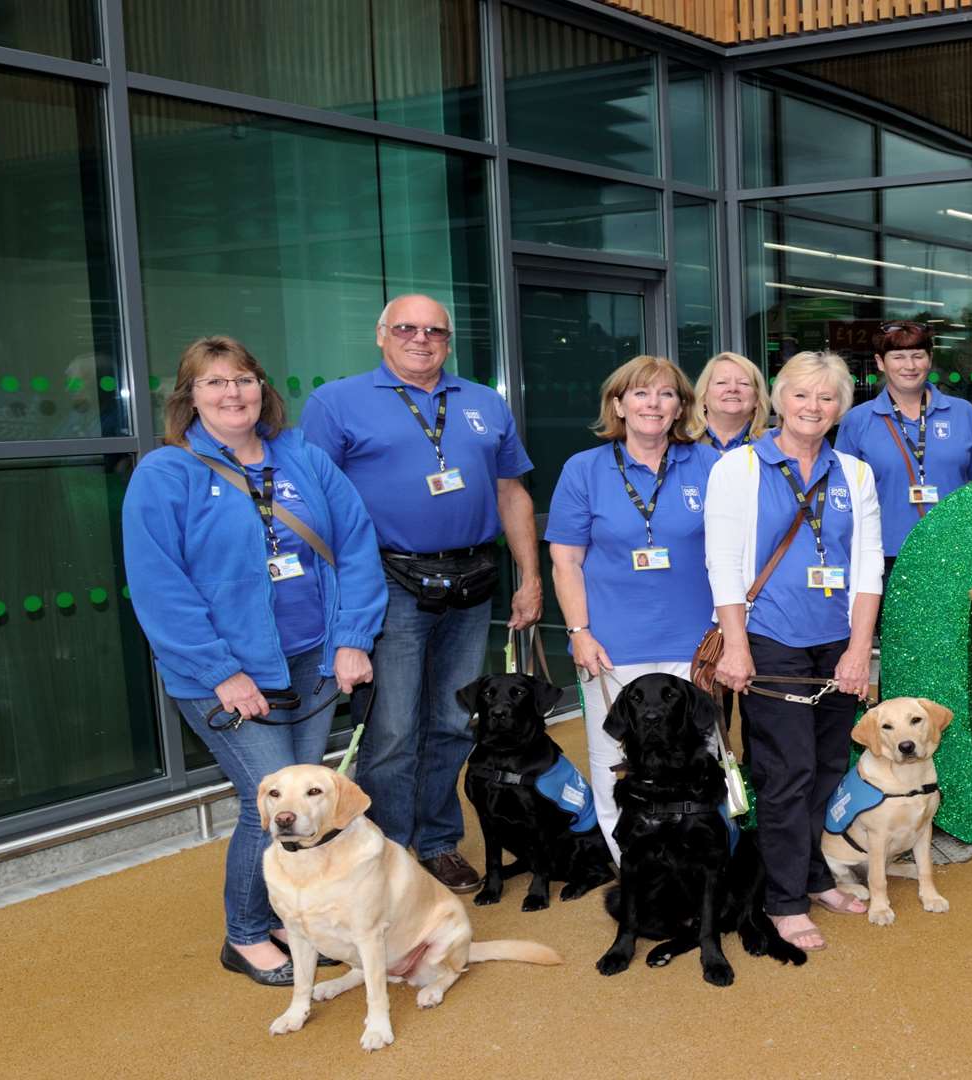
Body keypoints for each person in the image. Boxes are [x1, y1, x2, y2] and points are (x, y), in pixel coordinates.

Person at [122, 336, 384, 985]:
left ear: (262, 389)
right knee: (267, 805)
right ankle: (243, 935)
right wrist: (221, 672)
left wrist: (351, 638)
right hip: (226, 674)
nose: (231, 393)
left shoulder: (305, 458)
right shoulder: (166, 473)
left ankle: (277, 920)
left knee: (298, 798)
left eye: (242, 379)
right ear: (190, 399)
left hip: (311, 663)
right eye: (213, 383)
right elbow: (161, 586)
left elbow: (354, 546)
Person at [300, 294, 542, 894]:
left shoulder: (485, 403)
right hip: (388, 582)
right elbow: (314, 505)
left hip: (474, 580)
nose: (421, 338)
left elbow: (511, 493)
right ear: (381, 334)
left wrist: (529, 577)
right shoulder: (336, 403)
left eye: (435, 330)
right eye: (406, 327)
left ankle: (437, 843)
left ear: (450, 340)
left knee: (456, 723)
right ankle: (382, 852)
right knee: (391, 730)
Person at [706, 351, 884, 952]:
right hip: (770, 642)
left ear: (842, 408)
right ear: (777, 400)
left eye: (827, 398)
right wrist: (735, 645)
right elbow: (724, 563)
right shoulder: (739, 468)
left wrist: (860, 650)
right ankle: (783, 900)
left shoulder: (854, 473)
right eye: (802, 395)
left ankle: (810, 875)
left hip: (838, 645)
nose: (814, 407)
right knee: (786, 773)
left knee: (828, 768)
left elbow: (866, 569)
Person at [546, 356, 722, 860]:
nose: (653, 404)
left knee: (698, 758)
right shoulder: (584, 469)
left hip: (694, 644)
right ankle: (635, 869)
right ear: (618, 405)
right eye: (641, 394)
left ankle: (695, 862)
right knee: (613, 762)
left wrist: (726, 629)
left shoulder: (709, 465)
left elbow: (733, 553)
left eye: (666, 394)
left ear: (681, 407)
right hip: (611, 644)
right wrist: (579, 631)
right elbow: (566, 561)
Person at [832, 320, 972, 729]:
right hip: (890, 562)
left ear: (930, 360)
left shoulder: (962, 414)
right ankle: (903, 751)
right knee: (902, 655)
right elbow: (843, 498)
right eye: (898, 356)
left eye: (917, 354)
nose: (909, 364)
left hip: (960, 558)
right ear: (880, 363)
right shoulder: (858, 422)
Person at [691, 351, 770, 453]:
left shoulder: (771, 446)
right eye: (721, 382)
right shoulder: (681, 443)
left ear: (757, 399)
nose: (733, 389)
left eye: (744, 383)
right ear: (704, 396)